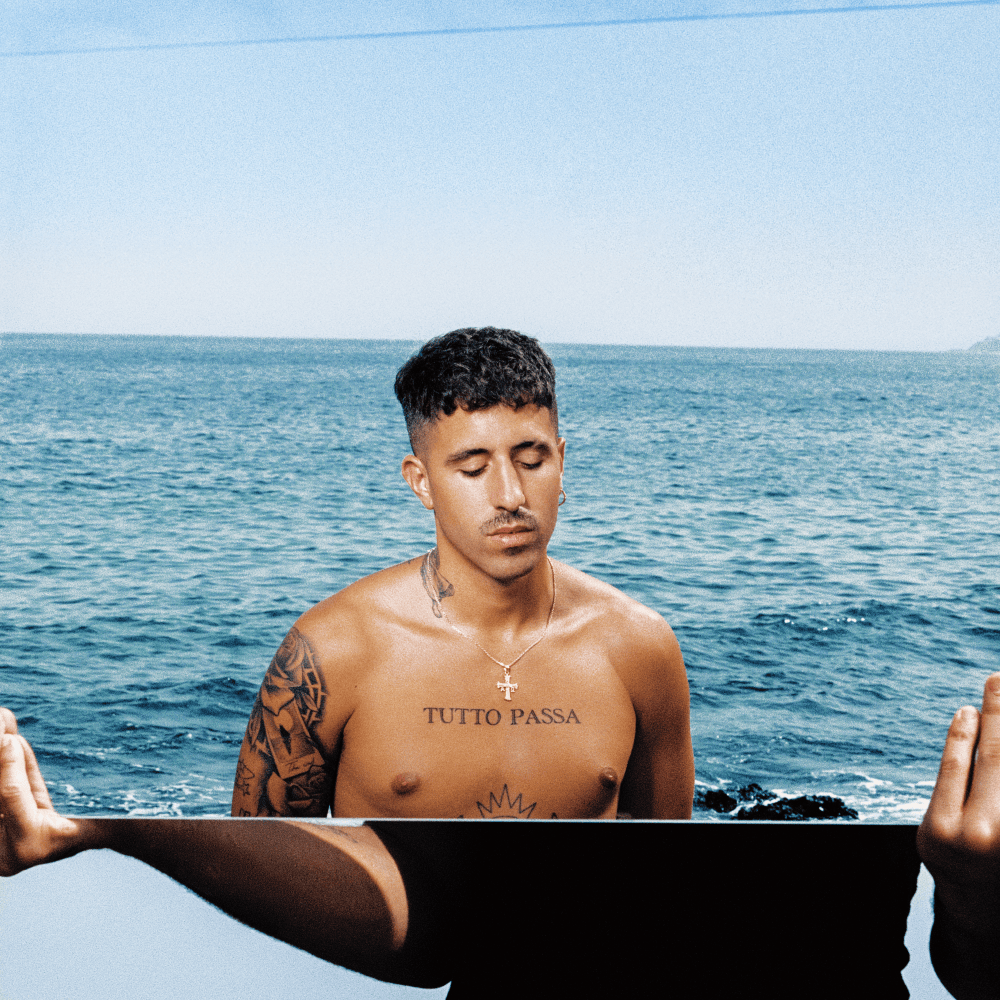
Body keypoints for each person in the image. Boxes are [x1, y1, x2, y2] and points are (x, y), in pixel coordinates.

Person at [230, 326, 694, 821]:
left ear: (561, 461)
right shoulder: (333, 651)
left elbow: (667, 860)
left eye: (532, 461)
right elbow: (259, 858)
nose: (511, 496)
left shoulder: (638, 648)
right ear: (422, 482)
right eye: (473, 469)